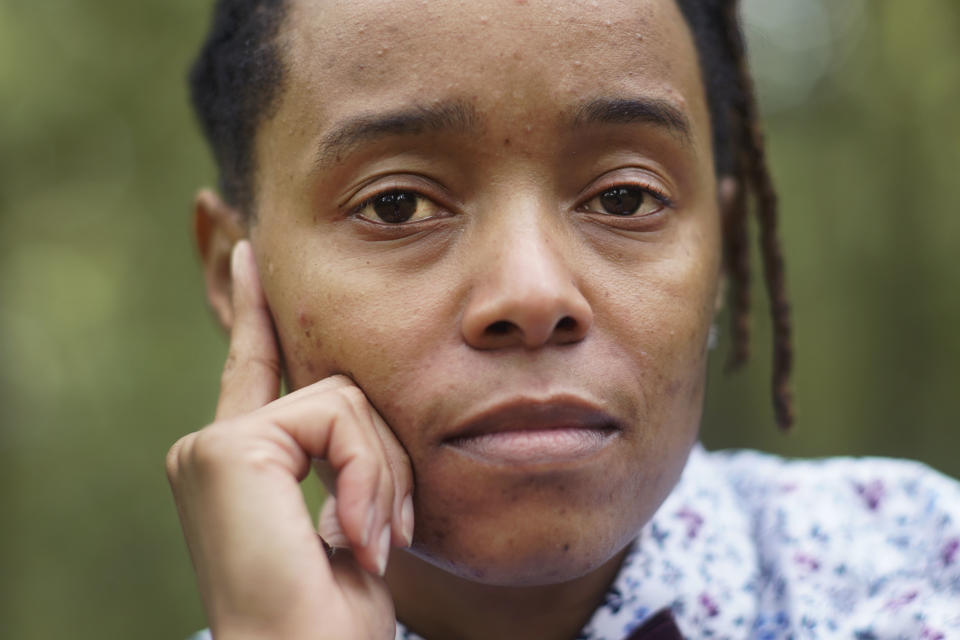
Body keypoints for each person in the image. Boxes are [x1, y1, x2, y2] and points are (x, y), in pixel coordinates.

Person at [166, 0, 960, 638]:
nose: (533, 294)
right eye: (397, 204)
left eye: (625, 198)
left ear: (718, 253)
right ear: (236, 277)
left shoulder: (920, 571)